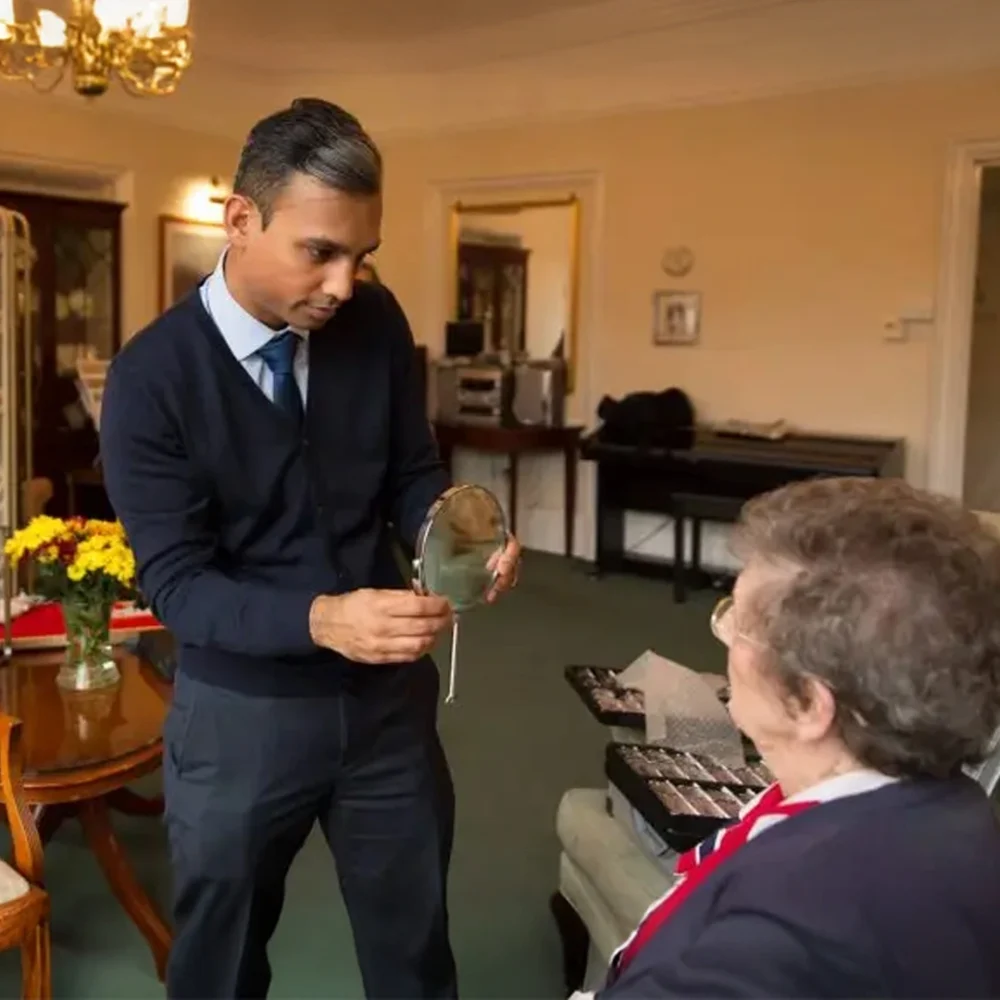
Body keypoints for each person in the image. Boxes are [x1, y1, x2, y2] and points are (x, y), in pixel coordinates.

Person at [99, 97, 520, 1000]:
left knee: (415, 957)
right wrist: (324, 619)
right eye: (319, 252)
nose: (342, 283)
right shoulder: (150, 380)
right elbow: (177, 585)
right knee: (220, 970)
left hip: (387, 715)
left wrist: (451, 524)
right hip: (239, 719)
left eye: (361, 255)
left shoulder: (373, 323)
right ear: (241, 219)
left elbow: (411, 470)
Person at [589, 477, 1000, 999]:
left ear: (808, 703)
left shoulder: (785, 932)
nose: (724, 636)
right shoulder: (952, 808)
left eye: (737, 622)